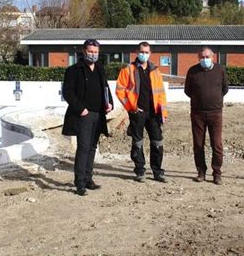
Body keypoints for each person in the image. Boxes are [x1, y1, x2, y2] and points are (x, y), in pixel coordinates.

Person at [62, 39, 113, 196]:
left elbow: (105, 87)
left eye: (96, 52)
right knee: (83, 147)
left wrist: (110, 102)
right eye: (91, 52)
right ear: (84, 52)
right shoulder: (73, 70)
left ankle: (88, 179)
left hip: (99, 114)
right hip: (83, 115)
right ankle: (80, 182)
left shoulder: (99, 68)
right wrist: (81, 109)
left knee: (92, 147)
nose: (93, 55)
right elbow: (67, 92)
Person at [115, 42, 168, 183]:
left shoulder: (155, 71)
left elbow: (161, 93)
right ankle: (140, 171)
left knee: (157, 142)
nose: (144, 54)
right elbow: (120, 90)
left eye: (146, 52)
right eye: (141, 52)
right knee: (137, 143)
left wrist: (164, 113)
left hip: (154, 113)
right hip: (137, 113)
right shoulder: (128, 70)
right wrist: (131, 107)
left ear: (150, 53)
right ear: (136, 52)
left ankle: (158, 171)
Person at [184, 47, 228, 185]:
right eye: (202, 57)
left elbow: (225, 88)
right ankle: (201, 172)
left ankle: (217, 173)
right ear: (198, 57)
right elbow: (188, 90)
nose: (205, 59)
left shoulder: (220, 70)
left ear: (213, 57)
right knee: (198, 144)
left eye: (207, 57)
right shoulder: (192, 71)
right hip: (197, 113)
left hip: (215, 113)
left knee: (217, 144)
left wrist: (214, 100)